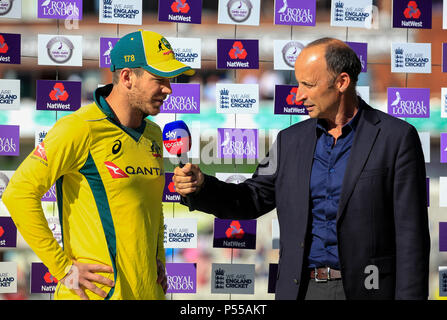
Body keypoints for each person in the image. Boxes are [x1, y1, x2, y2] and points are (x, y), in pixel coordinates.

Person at [173, 38, 430, 300]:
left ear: (341, 82)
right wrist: (202, 186)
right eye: (298, 83)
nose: (298, 95)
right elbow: (249, 199)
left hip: (369, 290)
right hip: (301, 291)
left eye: (308, 84)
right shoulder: (289, 141)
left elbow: (412, 238)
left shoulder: (397, 139)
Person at [3, 29, 194, 300]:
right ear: (127, 77)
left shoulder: (153, 134)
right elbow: (18, 194)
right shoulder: (79, 128)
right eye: (158, 79)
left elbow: (150, 206)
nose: (168, 89)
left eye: (170, 79)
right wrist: (63, 269)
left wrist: (158, 260)